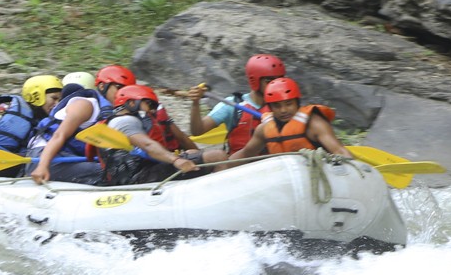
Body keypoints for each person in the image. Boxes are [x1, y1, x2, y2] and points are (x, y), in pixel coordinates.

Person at [28, 65, 137, 185]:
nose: (123, 93)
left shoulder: (112, 112)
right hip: (43, 156)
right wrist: (42, 166)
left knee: (126, 166)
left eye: (127, 90)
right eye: (119, 88)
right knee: (114, 172)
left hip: (66, 156)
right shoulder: (85, 105)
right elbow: (59, 135)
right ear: (102, 86)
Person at [99, 85, 228, 185]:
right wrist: (176, 160)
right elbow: (147, 145)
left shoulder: (119, 120)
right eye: (148, 104)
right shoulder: (125, 121)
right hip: (138, 177)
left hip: (136, 173)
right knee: (217, 156)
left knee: (193, 152)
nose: (152, 110)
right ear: (132, 103)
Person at [229, 77, 353, 161]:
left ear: (297, 103)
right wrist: (223, 168)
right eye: (277, 106)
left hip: (319, 176)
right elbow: (245, 154)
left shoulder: (314, 124)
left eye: (289, 104)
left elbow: (340, 151)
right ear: (270, 108)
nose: (283, 110)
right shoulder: (264, 129)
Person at [186, 54, 284, 155]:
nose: (275, 85)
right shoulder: (232, 105)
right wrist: (195, 103)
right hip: (239, 165)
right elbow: (197, 130)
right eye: (269, 81)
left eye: (278, 80)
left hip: (274, 163)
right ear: (255, 81)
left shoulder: (284, 107)